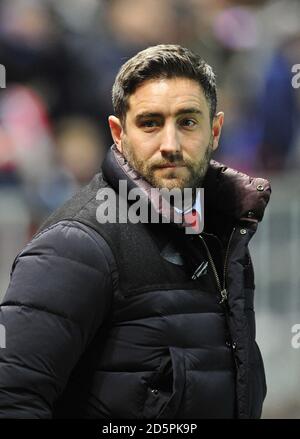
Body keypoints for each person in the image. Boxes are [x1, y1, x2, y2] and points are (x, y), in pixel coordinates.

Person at [0, 44, 271, 419]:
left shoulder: (222, 234)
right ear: (118, 133)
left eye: (188, 122)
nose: (170, 145)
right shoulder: (75, 246)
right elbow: (11, 397)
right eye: (150, 123)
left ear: (216, 131)